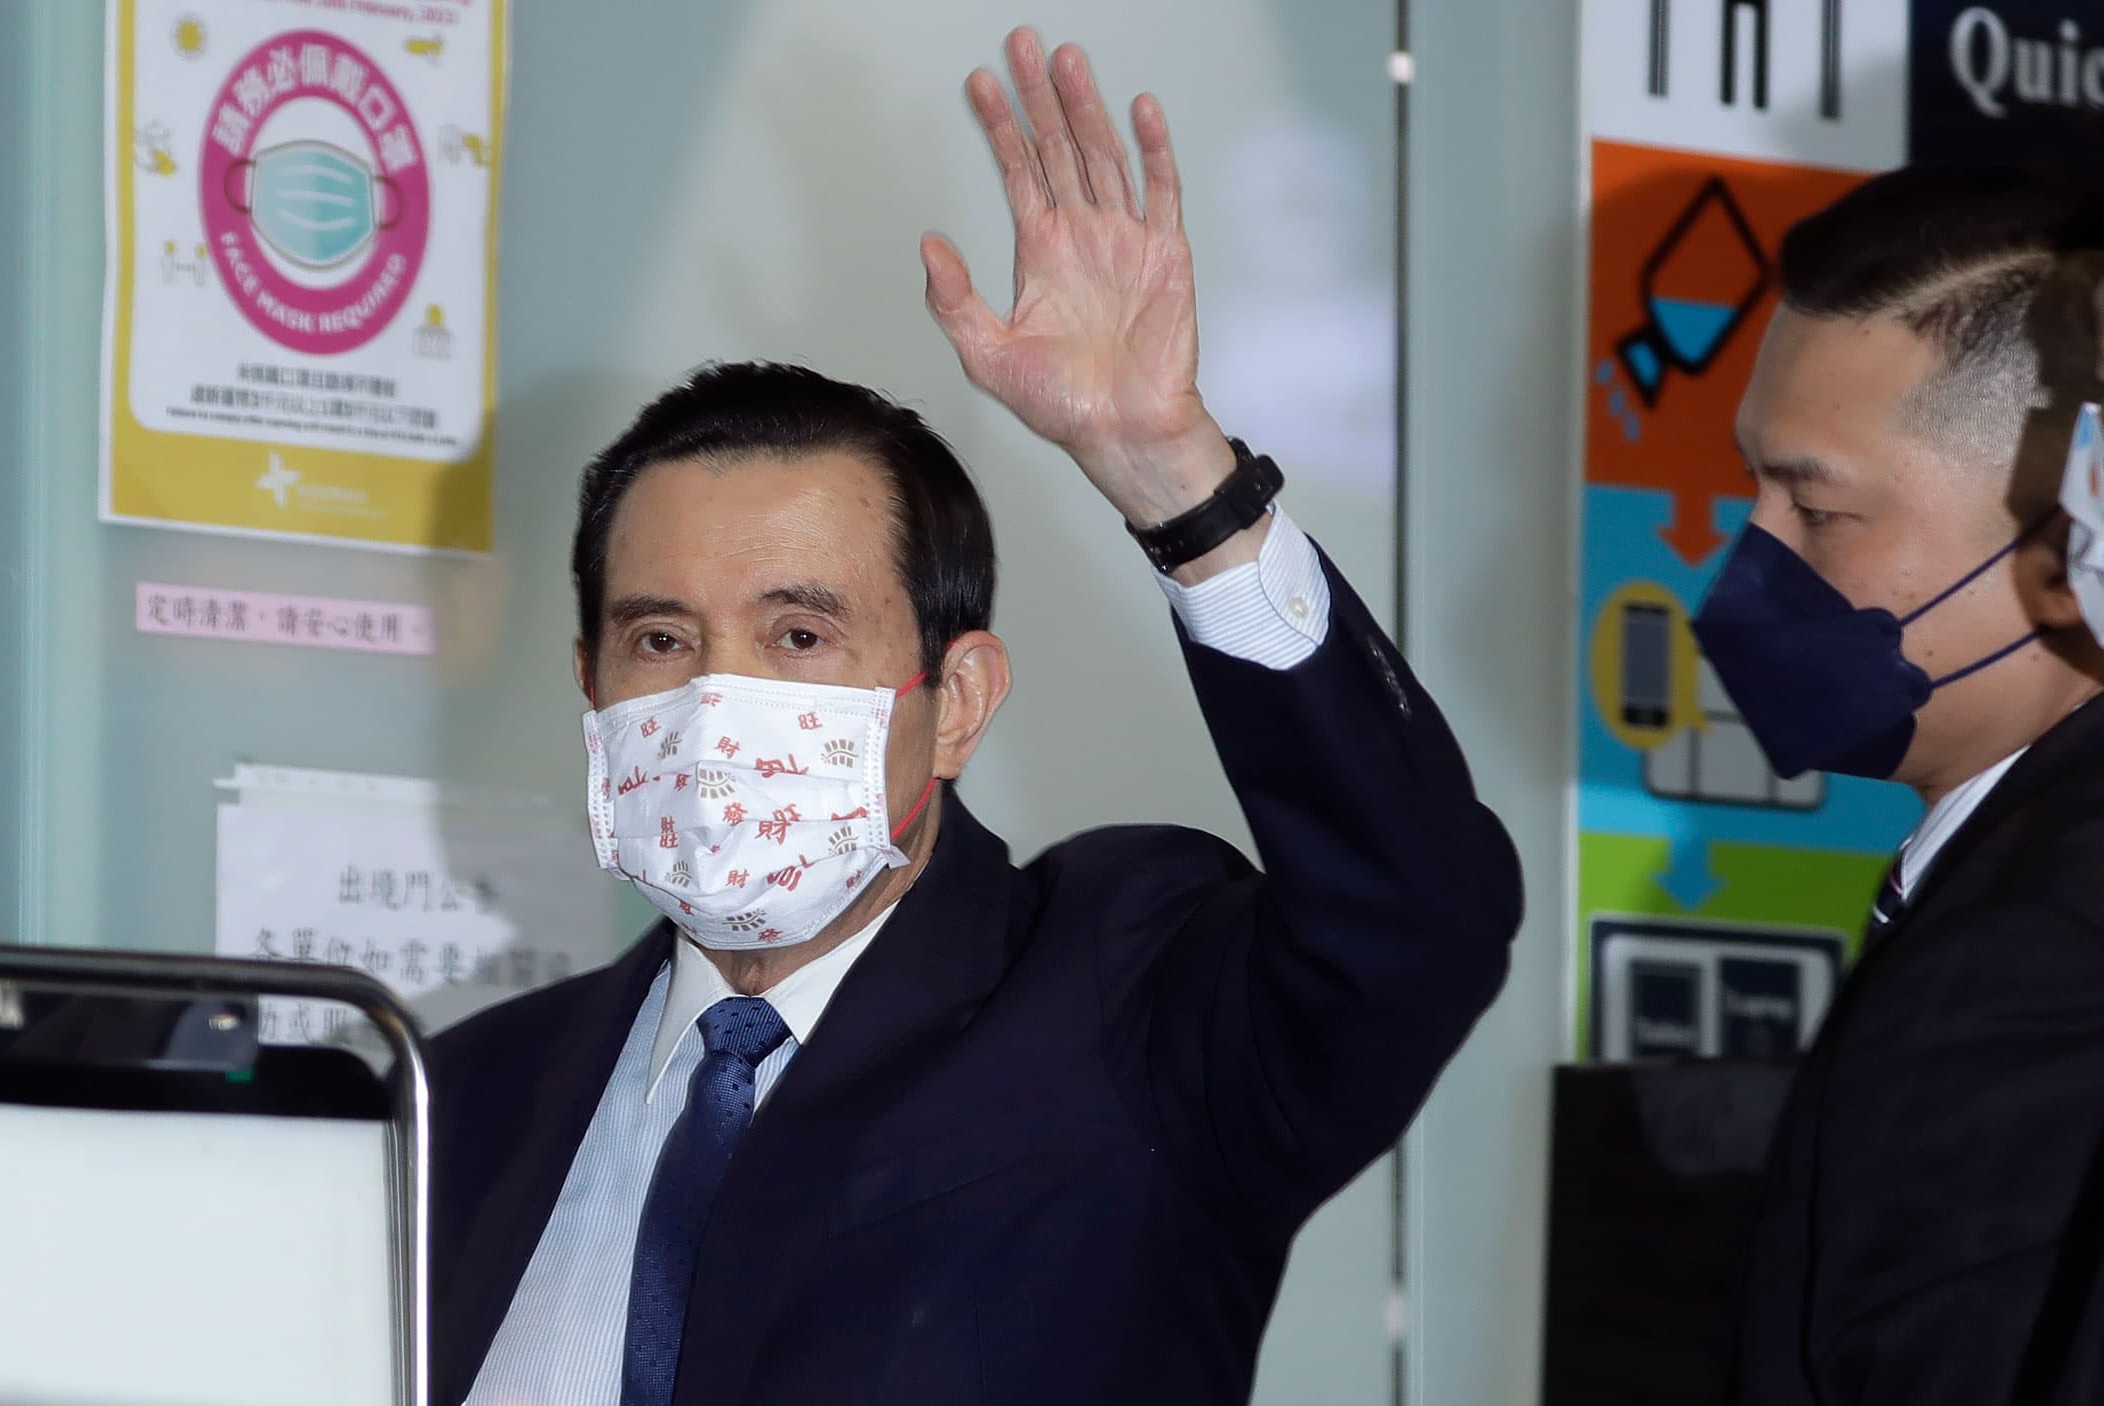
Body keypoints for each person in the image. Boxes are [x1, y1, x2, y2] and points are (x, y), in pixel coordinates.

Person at [430, 31, 1520, 1406]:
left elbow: (1417, 916)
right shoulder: (470, 1096)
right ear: (589, 681)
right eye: (661, 638)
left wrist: (1180, 482)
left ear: (957, 702)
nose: (720, 699)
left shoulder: (1125, 999)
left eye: (800, 633)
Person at [1704, 165, 2104, 1401]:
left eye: (1816, 510)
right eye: (1753, 487)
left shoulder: (2033, 952)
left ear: (2066, 534)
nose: (1750, 555)